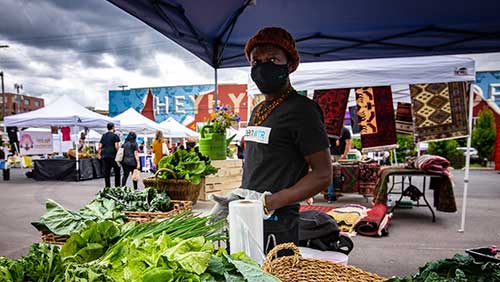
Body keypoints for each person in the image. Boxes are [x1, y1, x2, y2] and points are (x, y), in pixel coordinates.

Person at [211, 27, 332, 254]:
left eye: (273, 59)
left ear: (289, 65)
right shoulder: (258, 110)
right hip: (245, 213)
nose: (263, 66)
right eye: (256, 62)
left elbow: (322, 174)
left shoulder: (302, 109)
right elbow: (261, 163)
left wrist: (268, 203)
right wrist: (240, 196)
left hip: (278, 222)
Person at [98, 122, 121, 187]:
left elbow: (100, 146)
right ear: (113, 127)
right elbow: (116, 146)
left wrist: (99, 153)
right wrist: (118, 153)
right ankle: (117, 186)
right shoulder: (115, 136)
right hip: (113, 155)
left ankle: (107, 186)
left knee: (107, 172)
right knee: (117, 171)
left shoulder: (104, 135)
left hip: (105, 155)